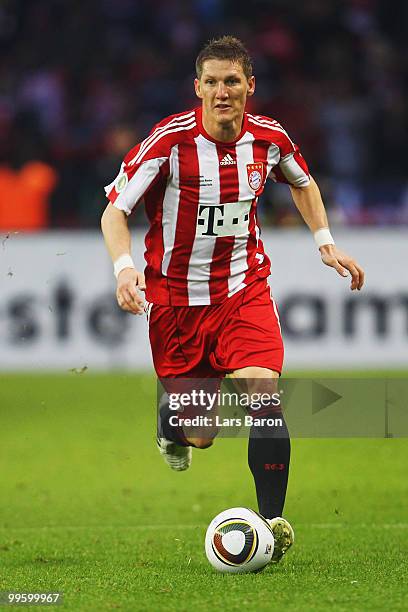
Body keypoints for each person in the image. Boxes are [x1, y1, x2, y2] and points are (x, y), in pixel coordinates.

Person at [101, 36, 365, 564]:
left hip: (244, 291)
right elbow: (114, 210)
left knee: (264, 396)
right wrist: (124, 269)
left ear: (250, 86)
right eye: (213, 82)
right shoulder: (168, 143)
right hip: (176, 304)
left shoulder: (269, 139)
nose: (223, 92)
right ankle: (169, 421)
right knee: (199, 436)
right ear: (197, 88)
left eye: (233, 81)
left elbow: (304, 184)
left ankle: (272, 526)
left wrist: (325, 241)